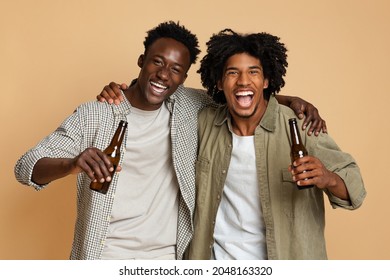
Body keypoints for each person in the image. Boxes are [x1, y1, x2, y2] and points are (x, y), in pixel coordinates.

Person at [15, 21, 325, 260]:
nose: (164, 75)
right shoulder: (95, 114)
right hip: (102, 257)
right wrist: (72, 163)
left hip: (168, 260)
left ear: (183, 78)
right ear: (142, 60)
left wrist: (289, 100)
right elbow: (26, 166)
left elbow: (237, 96)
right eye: (157, 62)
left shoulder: (189, 107)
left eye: (176, 70)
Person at [184, 29, 366, 260]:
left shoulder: (300, 124)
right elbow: (163, 92)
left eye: (253, 72)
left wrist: (327, 177)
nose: (243, 81)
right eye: (232, 73)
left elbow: (355, 188)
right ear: (219, 82)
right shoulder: (205, 122)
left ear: (267, 80)